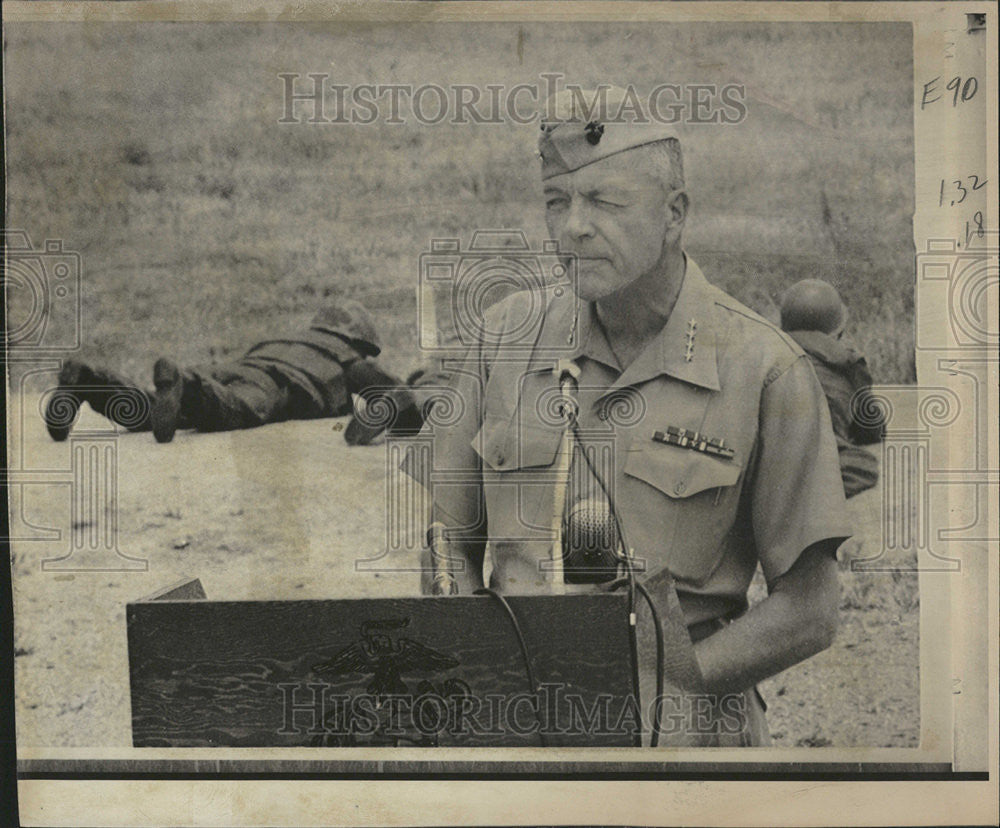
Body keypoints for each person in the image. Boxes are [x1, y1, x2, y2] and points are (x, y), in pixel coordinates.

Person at [408, 87, 852, 746]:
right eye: (556, 203)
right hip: (516, 721)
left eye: (605, 202)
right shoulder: (502, 337)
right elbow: (446, 539)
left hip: (684, 729)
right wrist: (475, 665)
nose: (572, 228)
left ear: (675, 214)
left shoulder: (766, 369)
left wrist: (675, 685)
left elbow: (810, 610)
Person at [44, 298, 424, 444]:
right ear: (358, 341)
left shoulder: (285, 338)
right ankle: (186, 383)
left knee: (150, 411)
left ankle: (90, 380)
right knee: (240, 410)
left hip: (234, 368)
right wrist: (407, 397)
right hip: (271, 384)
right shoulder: (347, 357)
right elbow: (393, 391)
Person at [779, 279, 886, 498]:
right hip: (814, 454)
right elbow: (871, 430)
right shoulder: (845, 363)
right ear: (838, 329)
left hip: (770, 451)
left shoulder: (767, 353)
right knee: (863, 467)